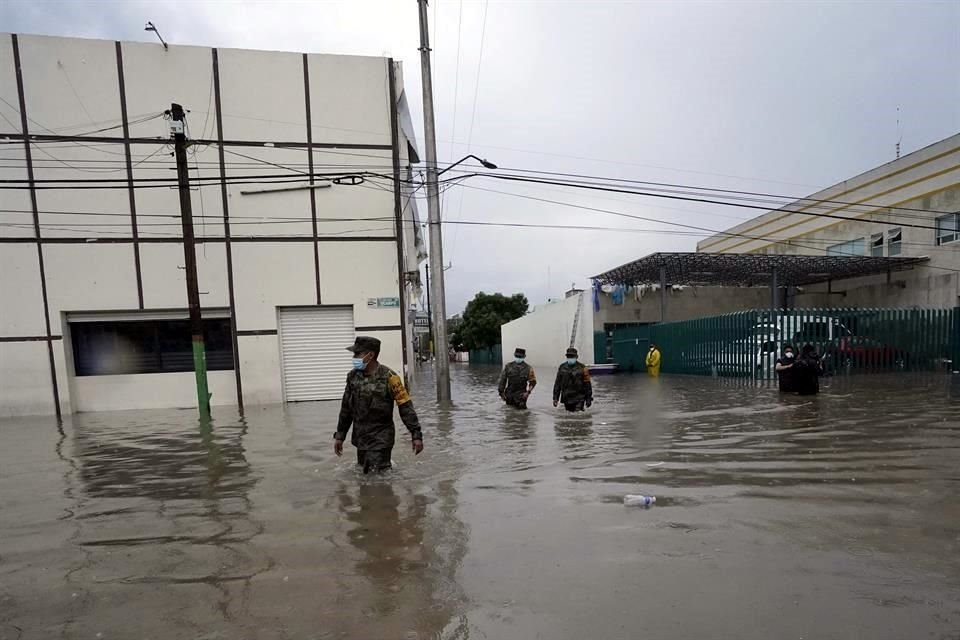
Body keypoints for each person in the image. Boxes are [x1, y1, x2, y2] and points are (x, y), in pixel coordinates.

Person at [334, 336, 424, 473]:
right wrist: (340, 436)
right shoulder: (352, 377)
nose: (354, 357)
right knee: (364, 477)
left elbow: (405, 407)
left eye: (357, 354)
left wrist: (416, 435)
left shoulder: (390, 377)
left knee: (375, 480)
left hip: (381, 439)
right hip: (361, 439)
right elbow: (346, 408)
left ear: (370, 355)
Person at [552, 347, 593, 412]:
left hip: (579, 397)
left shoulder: (583, 368)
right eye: (568, 356)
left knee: (578, 414)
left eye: (572, 356)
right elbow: (557, 384)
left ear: (576, 357)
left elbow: (587, 384)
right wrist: (555, 398)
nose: (570, 358)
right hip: (566, 397)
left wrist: (588, 398)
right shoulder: (562, 367)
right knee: (569, 415)